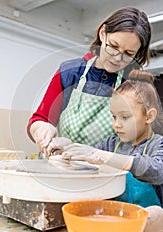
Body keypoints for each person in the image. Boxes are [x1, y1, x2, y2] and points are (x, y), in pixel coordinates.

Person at [27, 7, 152, 154]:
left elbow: (141, 141)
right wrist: (43, 129)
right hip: (61, 167)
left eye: (128, 53)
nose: (117, 58)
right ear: (102, 33)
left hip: (107, 172)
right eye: (113, 46)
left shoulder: (133, 83)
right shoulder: (70, 72)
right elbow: (41, 118)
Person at [54, 71, 163, 211]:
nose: (116, 124)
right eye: (114, 117)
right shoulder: (110, 144)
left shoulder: (162, 145)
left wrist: (102, 156)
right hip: (111, 216)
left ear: (149, 116)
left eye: (125, 117)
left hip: (144, 222)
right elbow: (87, 160)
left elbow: (159, 171)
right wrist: (67, 149)